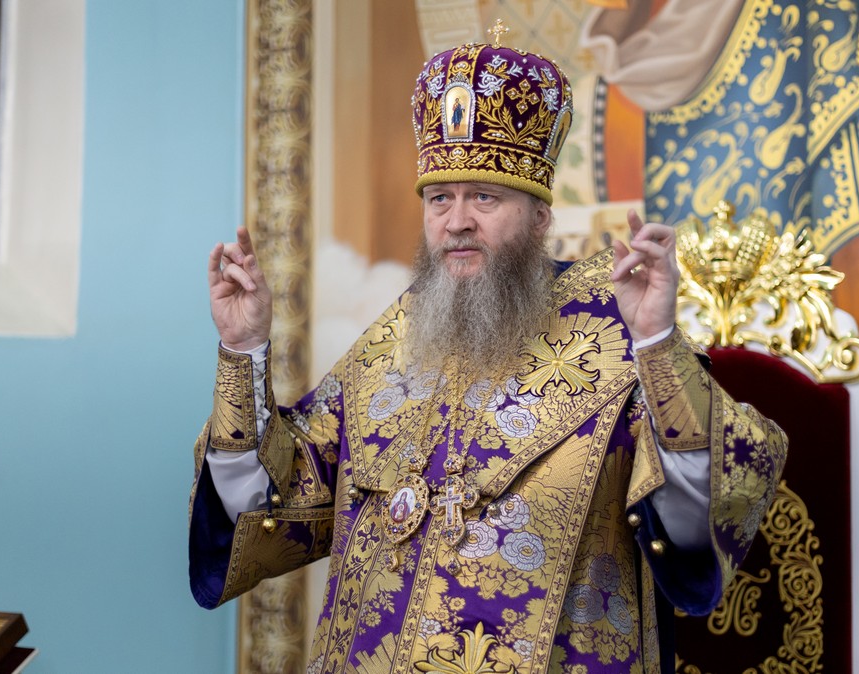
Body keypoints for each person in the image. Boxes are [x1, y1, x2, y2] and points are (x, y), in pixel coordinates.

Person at [189, 38, 786, 674]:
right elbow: (270, 504)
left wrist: (657, 343)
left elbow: (705, 512)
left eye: (485, 197)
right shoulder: (392, 344)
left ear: (539, 217)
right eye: (439, 198)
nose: (457, 222)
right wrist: (244, 350)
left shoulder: (619, 332)